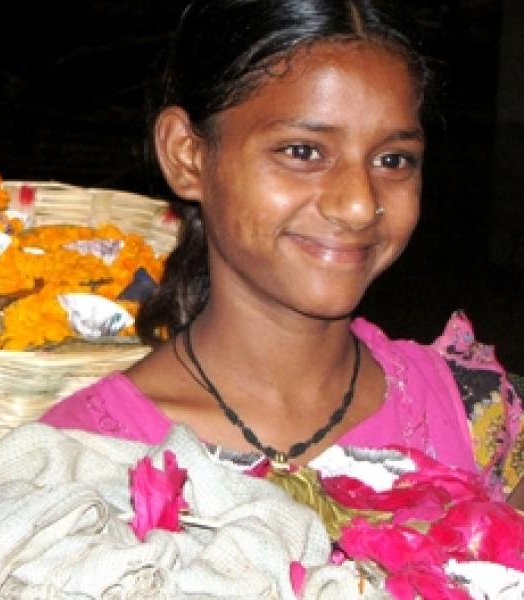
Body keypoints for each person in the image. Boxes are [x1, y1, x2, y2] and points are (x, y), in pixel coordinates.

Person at [41, 0, 524, 506]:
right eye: (303, 152)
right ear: (187, 154)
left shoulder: (477, 425)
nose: (359, 205)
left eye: (392, 159)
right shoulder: (83, 465)